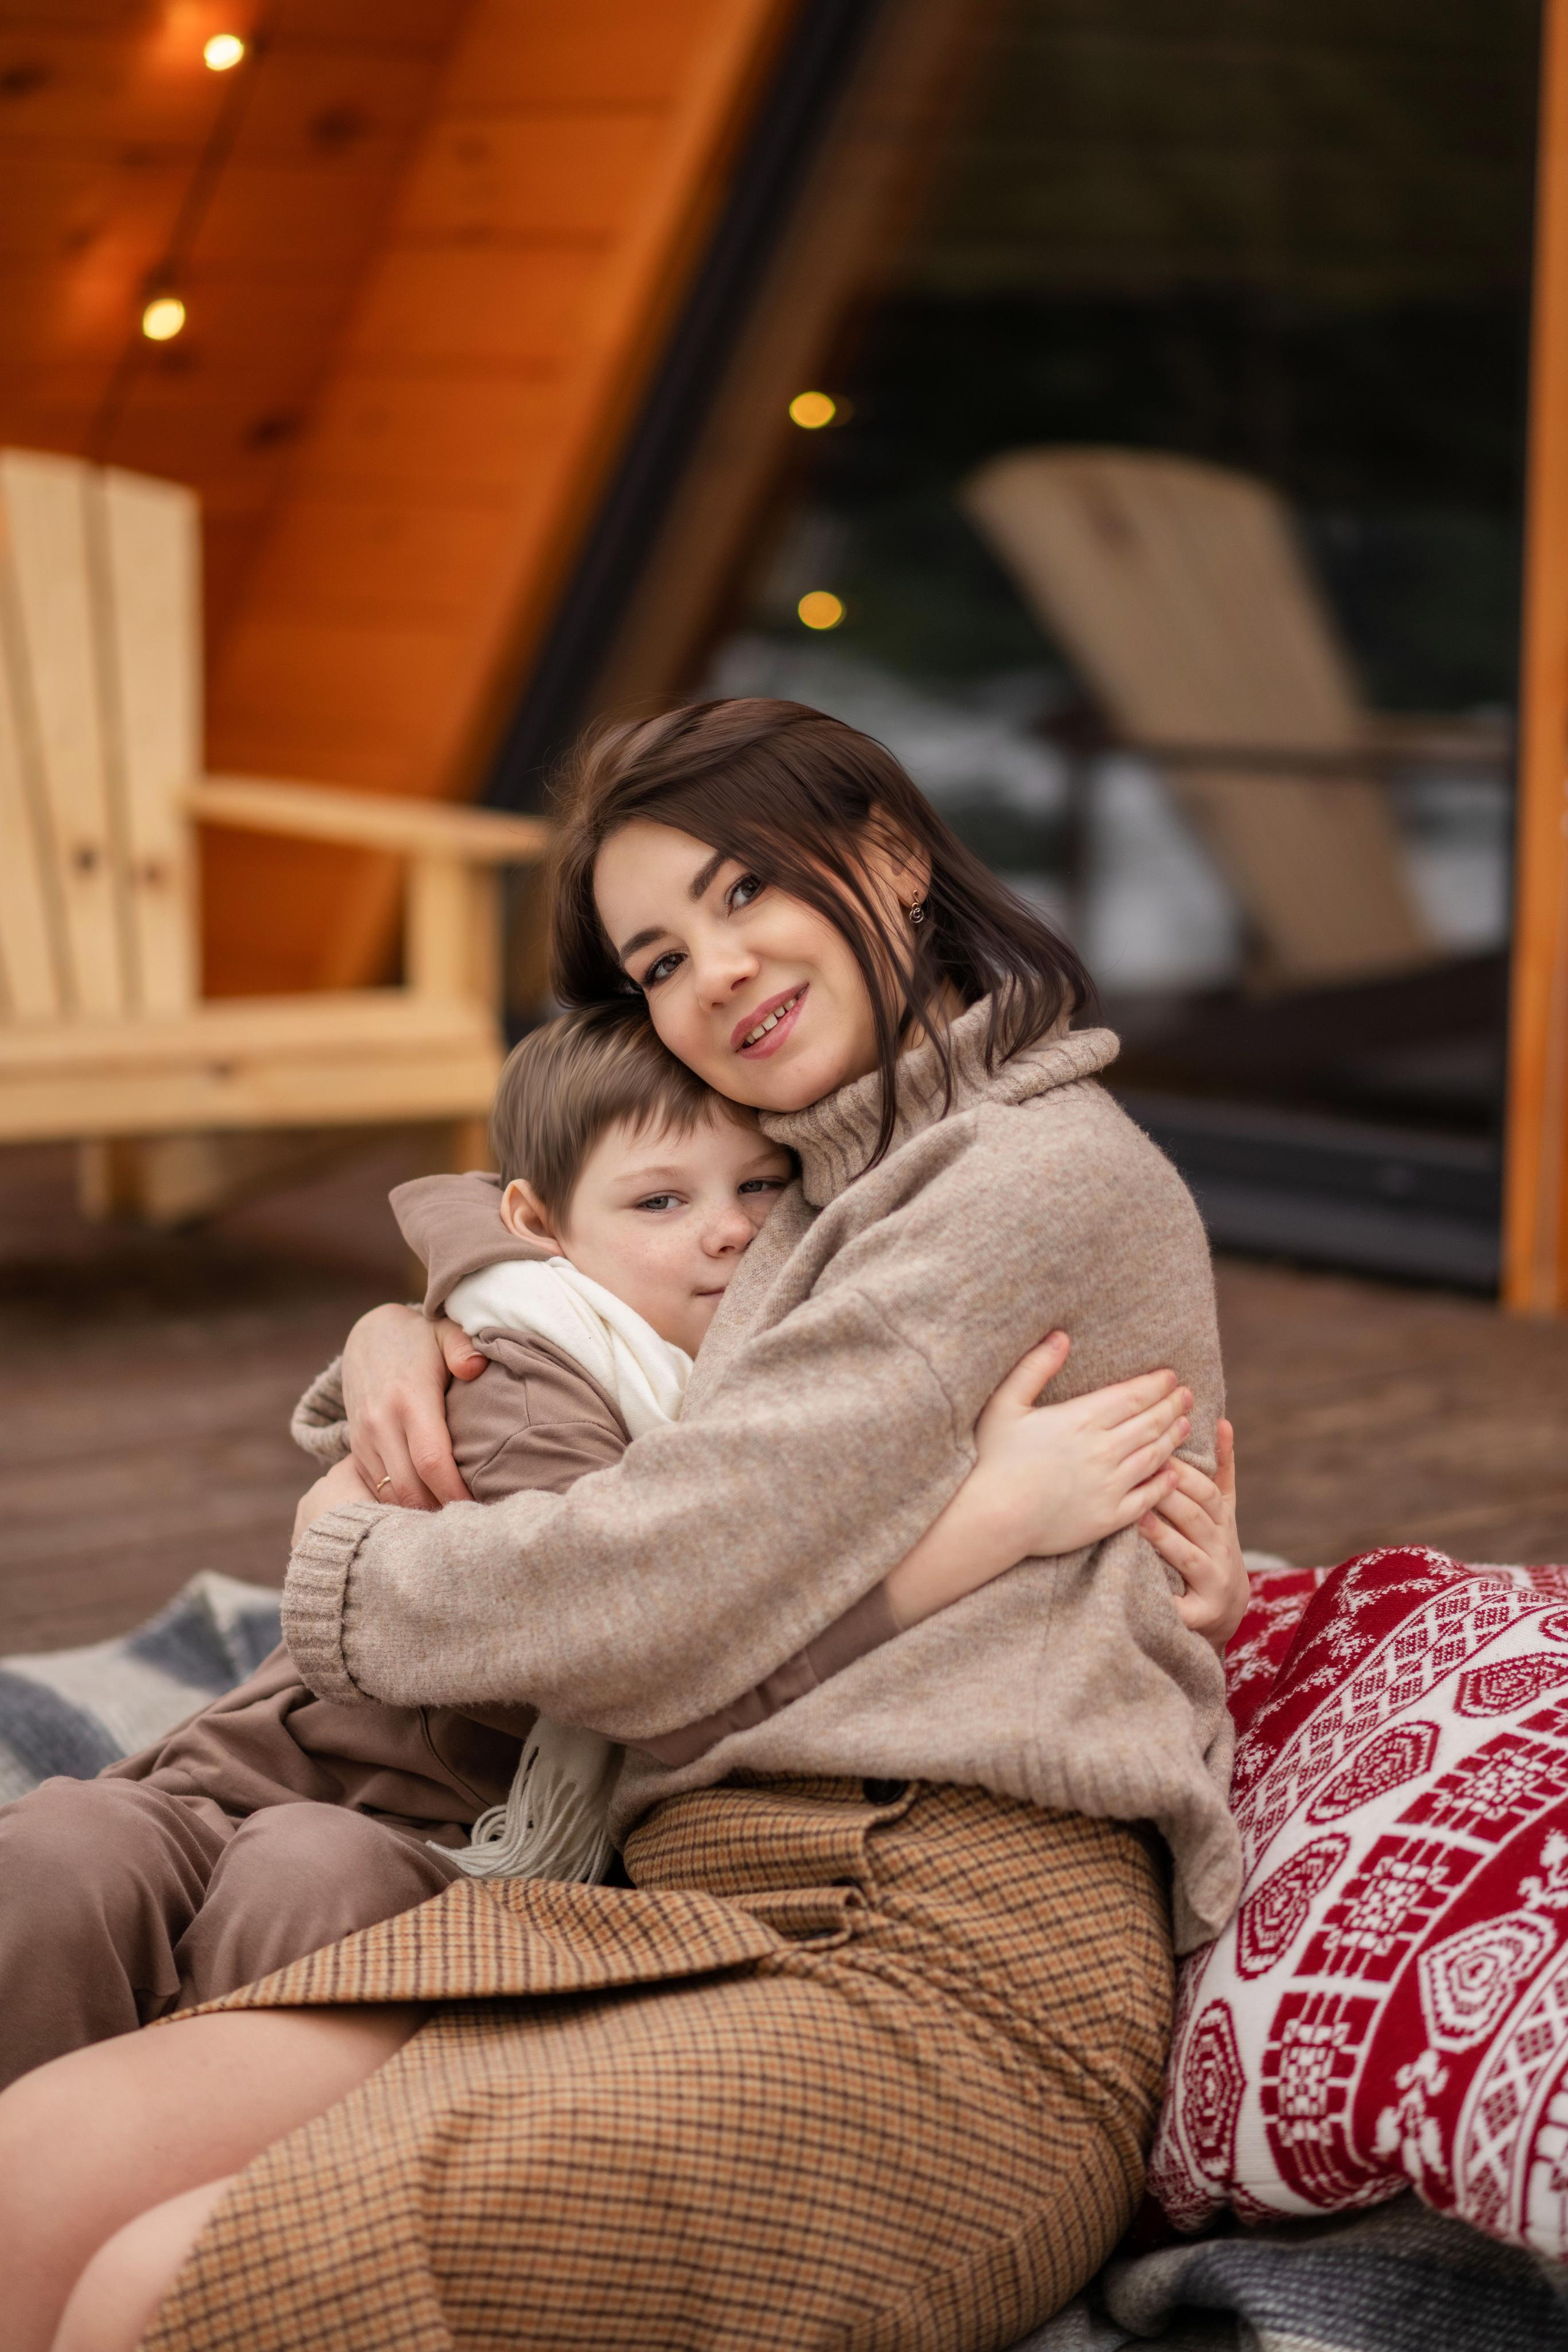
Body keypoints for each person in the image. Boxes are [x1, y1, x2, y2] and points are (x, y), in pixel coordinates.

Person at [2, 699, 1249, 2352]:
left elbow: (654, 1581)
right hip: (654, 1904)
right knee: (33, 2177)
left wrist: (349, 1560)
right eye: (658, 959)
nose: (713, 973)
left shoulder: (1025, 1181)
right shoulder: (804, 1192)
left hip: (943, 1972)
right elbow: (576, 1253)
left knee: (163, 2291)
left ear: (886, 855)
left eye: (745, 895)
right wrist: (414, 1317)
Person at [0, 1003, 1210, 2094]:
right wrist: (985, 1525)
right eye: (662, 1202)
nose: (730, 1235)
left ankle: (129, 2160)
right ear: (542, 1229)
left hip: (353, 1828)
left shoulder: (744, 1370)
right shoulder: (532, 1385)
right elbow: (660, 1658)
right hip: (342, 1796)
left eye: (763, 1192)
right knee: (69, 1855)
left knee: (261, 1871)